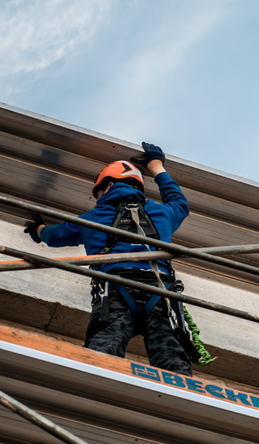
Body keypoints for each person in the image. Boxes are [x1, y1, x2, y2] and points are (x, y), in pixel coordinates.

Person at [24, 142, 194, 377]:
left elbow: (55, 236)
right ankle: (180, 395)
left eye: (99, 192)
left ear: (109, 185)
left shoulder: (92, 218)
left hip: (115, 289)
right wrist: (156, 166)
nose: (97, 199)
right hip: (161, 291)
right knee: (170, 353)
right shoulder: (163, 212)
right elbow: (180, 203)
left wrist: (39, 229)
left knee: (105, 347)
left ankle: (97, 385)